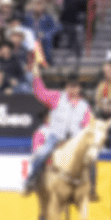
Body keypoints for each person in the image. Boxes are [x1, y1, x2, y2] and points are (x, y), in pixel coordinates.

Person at [23, 65, 94, 198]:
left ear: (79, 88)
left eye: (75, 86)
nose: (72, 89)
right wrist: (37, 77)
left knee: (90, 159)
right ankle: (31, 180)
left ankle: (91, 189)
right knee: (41, 154)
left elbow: (86, 125)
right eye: (70, 86)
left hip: (74, 140)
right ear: (66, 87)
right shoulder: (56, 97)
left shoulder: (85, 106)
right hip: (56, 137)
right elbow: (41, 93)